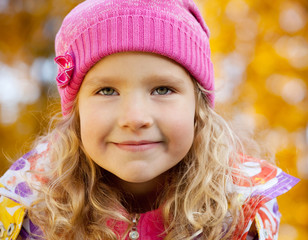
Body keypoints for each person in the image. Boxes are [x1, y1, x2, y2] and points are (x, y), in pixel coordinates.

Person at [0, 0, 299, 239]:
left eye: (162, 89)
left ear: (198, 106)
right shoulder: (36, 216)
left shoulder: (238, 218)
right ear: (76, 110)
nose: (135, 118)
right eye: (107, 90)